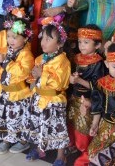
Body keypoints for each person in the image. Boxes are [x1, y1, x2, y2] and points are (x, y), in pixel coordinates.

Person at [25, 21, 70, 166]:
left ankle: (61, 155)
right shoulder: (40, 58)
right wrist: (32, 83)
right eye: (42, 38)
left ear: (60, 44)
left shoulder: (63, 61)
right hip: (39, 98)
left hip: (54, 100)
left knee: (57, 127)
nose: (43, 42)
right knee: (40, 125)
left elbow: (60, 83)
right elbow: (33, 77)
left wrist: (42, 74)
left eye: (48, 39)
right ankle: (40, 148)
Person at [81, 42, 115, 166]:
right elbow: (97, 106)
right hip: (105, 124)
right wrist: (94, 124)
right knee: (94, 152)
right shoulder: (101, 83)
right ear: (107, 64)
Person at [0, 11, 34, 155]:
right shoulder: (6, 50)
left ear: (25, 38)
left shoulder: (27, 55)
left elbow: (23, 72)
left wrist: (6, 62)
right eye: (8, 36)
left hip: (17, 94)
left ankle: (22, 141)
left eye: (15, 37)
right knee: (3, 116)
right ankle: (7, 139)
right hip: (3, 91)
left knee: (18, 119)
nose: (11, 40)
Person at [66, 25, 105, 161]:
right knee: (71, 121)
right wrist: (71, 78)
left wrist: (79, 80)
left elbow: (99, 87)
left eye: (86, 42)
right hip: (74, 97)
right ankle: (72, 145)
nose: (82, 45)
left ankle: (84, 150)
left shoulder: (98, 63)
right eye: (80, 41)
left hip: (88, 100)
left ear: (97, 45)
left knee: (83, 126)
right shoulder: (77, 58)